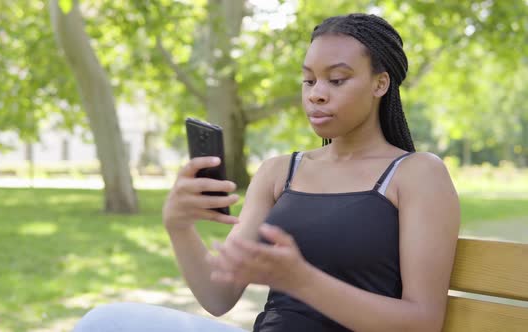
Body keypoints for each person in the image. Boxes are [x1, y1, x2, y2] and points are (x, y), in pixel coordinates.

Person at [73, 13, 460, 332]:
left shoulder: (416, 174)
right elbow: (218, 296)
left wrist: (301, 279)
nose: (316, 93)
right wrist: (178, 225)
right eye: (308, 80)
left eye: (337, 80)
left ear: (381, 83)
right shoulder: (279, 171)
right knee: (104, 321)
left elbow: (422, 323)